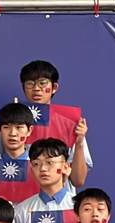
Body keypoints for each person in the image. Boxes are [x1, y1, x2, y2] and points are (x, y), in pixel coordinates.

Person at [19, 60, 90, 188]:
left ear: (54, 87)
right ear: (23, 87)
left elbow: (78, 180)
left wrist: (79, 142)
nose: (36, 89)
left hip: (58, 197)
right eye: (30, 83)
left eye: (42, 83)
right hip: (21, 197)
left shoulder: (70, 123)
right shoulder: (12, 123)